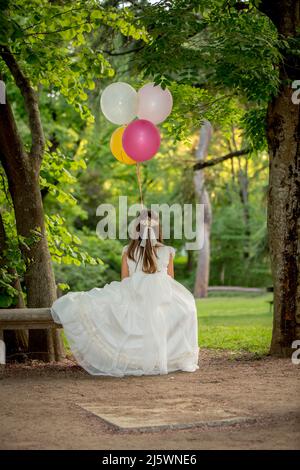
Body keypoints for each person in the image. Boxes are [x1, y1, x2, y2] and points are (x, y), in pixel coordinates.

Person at [51, 209, 199, 377]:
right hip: (162, 294)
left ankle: (139, 359)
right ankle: (168, 357)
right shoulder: (167, 251)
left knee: (123, 313)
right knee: (186, 308)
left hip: (134, 291)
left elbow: (124, 279)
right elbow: (170, 278)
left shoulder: (128, 250)